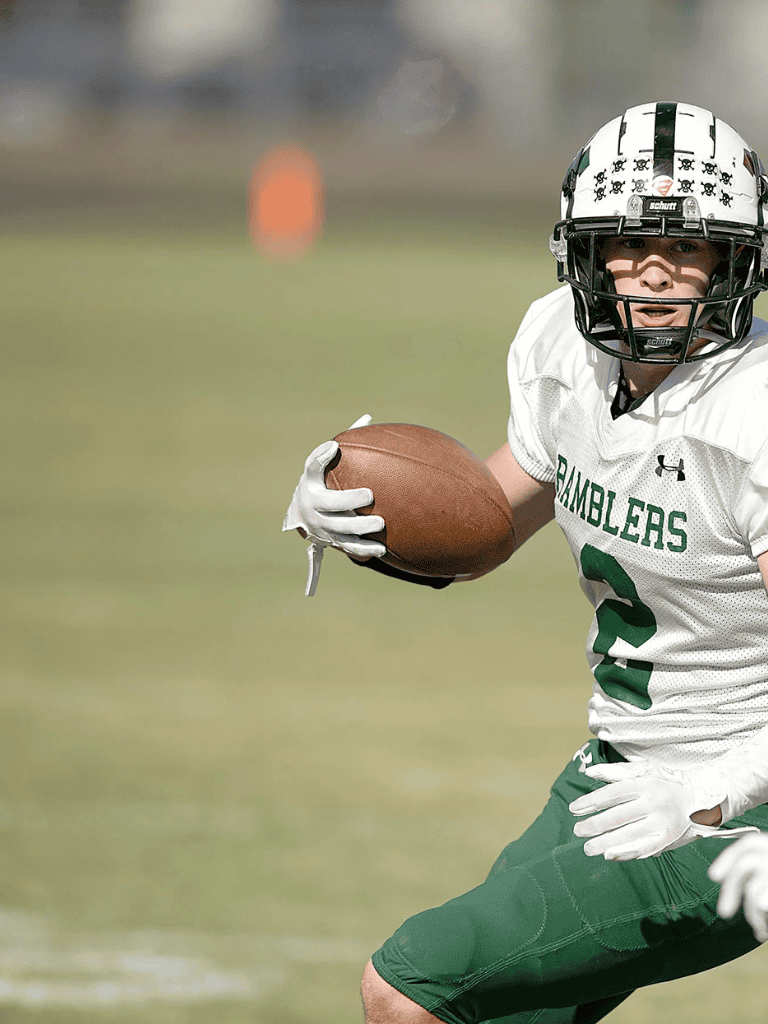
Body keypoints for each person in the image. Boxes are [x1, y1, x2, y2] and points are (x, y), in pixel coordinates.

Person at [283, 101, 768, 1024]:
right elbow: (488, 525)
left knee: (410, 986)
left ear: (737, 261)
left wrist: (716, 790)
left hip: (736, 805)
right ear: (581, 252)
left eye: (690, 246)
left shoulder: (755, 417)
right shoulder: (562, 351)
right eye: (626, 242)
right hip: (610, 773)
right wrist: (357, 515)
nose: (655, 271)